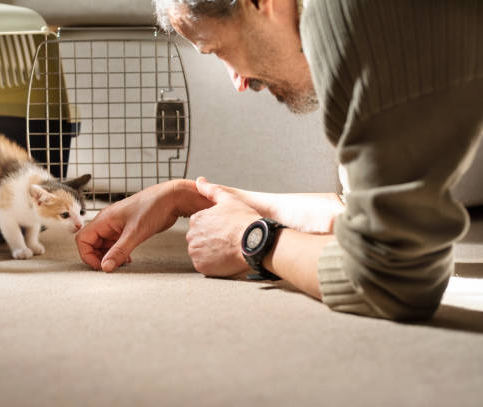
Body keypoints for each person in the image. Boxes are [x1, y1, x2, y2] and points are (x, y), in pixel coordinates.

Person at [76, 0, 483, 320]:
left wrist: (252, 240)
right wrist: (190, 196)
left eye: (217, 49)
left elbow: (391, 277)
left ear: (262, 3)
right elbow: (361, 213)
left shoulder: (356, 19)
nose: (237, 81)